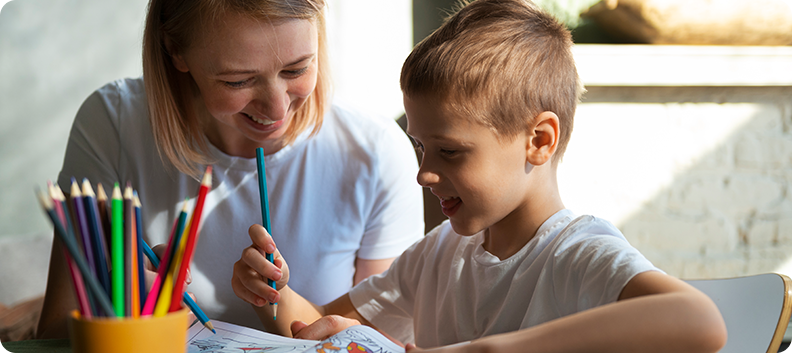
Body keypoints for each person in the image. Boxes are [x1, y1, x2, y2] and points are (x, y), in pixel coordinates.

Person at [231, 0, 728, 351]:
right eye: (422, 148)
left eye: (449, 151)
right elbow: (317, 326)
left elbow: (701, 322)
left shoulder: (579, 255)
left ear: (538, 141)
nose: (425, 173)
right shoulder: (438, 253)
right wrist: (270, 293)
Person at [36, 0, 424, 339]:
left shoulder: (375, 151)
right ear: (175, 50)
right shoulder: (113, 124)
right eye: (238, 80)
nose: (276, 110)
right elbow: (51, 333)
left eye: (296, 69)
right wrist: (119, 313)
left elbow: (384, 337)